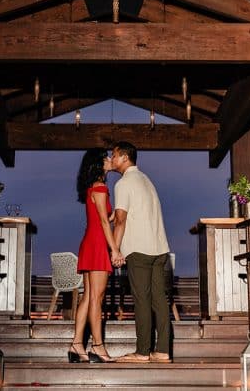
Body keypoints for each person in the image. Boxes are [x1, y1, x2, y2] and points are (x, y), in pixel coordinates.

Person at [107, 142, 171, 363]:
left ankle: (143, 351)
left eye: (114, 155)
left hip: (139, 249)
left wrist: (115, 250)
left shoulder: (124, 183)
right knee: (159, 300)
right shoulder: (146, 180)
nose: (112, 159)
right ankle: (162, 350)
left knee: (142, 300)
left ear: (125, 157)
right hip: (159, 247)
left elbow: (121, 220)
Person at [68, 148, 121, 363]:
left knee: (88, 297)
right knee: (96, 299)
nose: (110, 159)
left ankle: (76, 344)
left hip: (90, 241)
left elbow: (104, 218)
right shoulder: (100, 188)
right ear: (99, 164)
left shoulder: (93, 187)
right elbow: (103, 222)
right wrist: (115, 249)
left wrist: (119, 212)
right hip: (97, 244)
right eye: (106, 157)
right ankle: (97, 346)